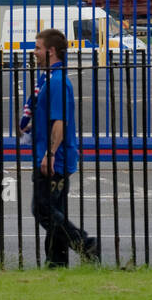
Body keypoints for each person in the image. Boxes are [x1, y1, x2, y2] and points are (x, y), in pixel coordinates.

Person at [20, 28, 99, 267]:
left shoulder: (57, 82)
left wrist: (50, 154)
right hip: (49, 154)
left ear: (50, 51)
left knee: (43, 209)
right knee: (54, 210)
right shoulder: (48, 80)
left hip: (55, 157)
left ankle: (84, 243)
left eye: (37, 48)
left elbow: (60, 121)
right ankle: (56, 262)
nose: (34, 53)